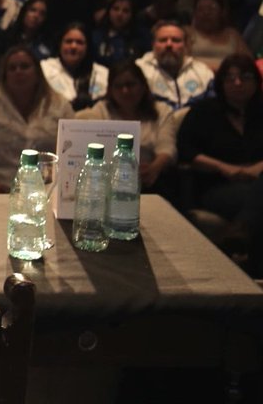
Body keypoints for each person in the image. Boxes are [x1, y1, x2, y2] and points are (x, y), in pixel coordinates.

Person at [176, 56, 263, 260]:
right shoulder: (203, 112)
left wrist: (256, 169)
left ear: (256, 82)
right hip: (216, 186)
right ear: (220, 83)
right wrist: (224, 168)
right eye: (230, 78)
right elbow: (186, 150)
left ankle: (240, 232)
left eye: (245, 77)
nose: (237, 83)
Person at [0, 45, 74, 193]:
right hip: (2, 185)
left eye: (25, 66)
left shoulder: (60, 105)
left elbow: (72, 147)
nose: (18, 71)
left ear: (37, 73)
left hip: (48, 188)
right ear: (4, 75)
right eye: (12, 68)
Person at [76, 60, 177, 191]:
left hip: (151, 179)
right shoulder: (101, 111)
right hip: (109, 181)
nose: (125, 91)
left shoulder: (162, 111)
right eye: (118, 86)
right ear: (110, 90)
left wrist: (154, 168)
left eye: (131, 84)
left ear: (143, 86)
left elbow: (167, 148)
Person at [136, 21, 214, 110]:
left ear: (186, 46)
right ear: (153, 45)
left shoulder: (203, 72)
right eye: (163, 40)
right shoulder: (139, 71)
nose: (169, 45)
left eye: (176, 40)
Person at [41, 24, 108, 111]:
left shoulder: (103, 73)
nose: (73, 46)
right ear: (60, 44)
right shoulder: (44, 69)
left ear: (87, 47)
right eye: (68, 41)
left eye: (79, 42)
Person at [185, 0, 251, 73]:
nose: (206, 13)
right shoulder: (187, 32)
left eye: (212, 8)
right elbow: (182, 61)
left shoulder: (232, 34)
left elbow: (248, 62)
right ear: (194, 13)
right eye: (201, 9)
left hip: (229, 79)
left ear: (222, 12)